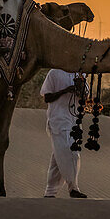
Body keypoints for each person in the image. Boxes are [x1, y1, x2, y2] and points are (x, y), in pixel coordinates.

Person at [40, 68, 88, 199]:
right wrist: (65, 90)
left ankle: (50, 192)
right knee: (71, 152)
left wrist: (81, 87)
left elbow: (85, 97)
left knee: (59, 157)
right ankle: (74, 188)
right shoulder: (54, 73)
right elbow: (47, 97)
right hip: (58, 119)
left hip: (74, 119)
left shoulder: (80, 73)